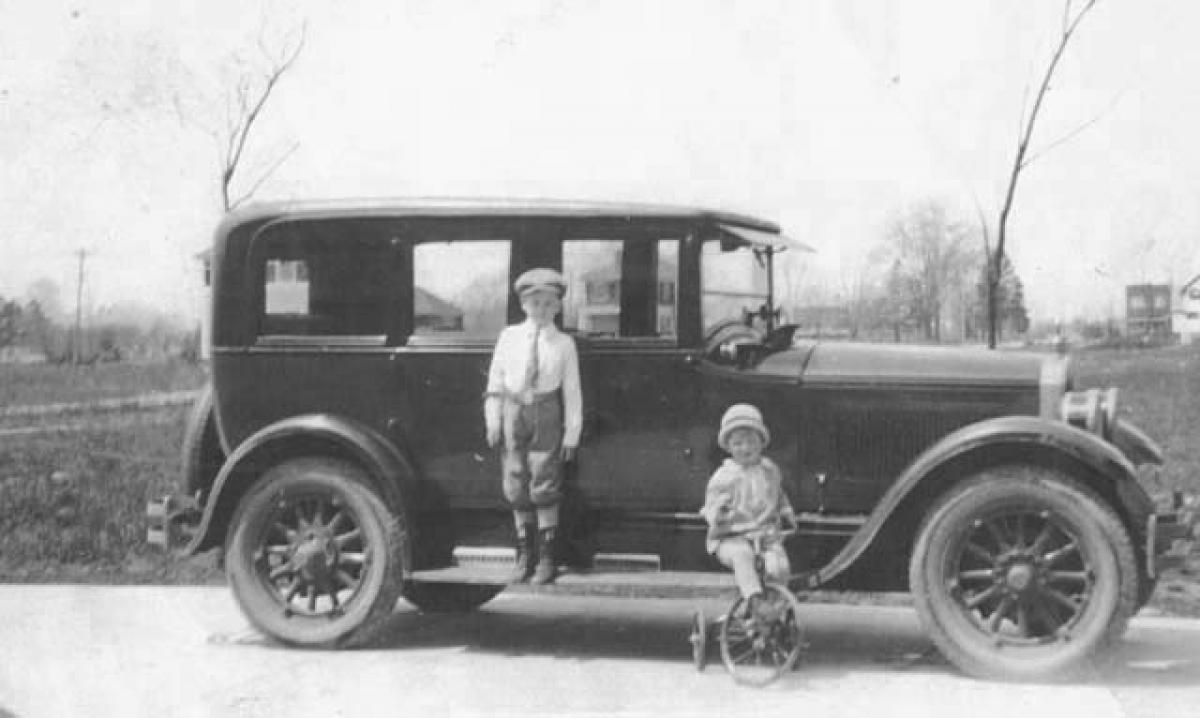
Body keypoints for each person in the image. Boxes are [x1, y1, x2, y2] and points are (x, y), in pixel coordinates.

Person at [484, 267, 582, 585]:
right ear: (523, 305)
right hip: (514, 410)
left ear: (558, 307)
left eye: (549, 303)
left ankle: (546, 557)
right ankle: (523, 554)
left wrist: (572, 432)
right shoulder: (509, 337)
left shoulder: (564, 344)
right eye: (535, 302)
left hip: (547, 410)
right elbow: (495, 381)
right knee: (515, 479)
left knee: (545, 477)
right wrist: (493, 418)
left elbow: (571, 390)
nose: (541, 310)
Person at [700, 403, 796, 612]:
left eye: (751, 442)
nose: (746, 448)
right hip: (731, 536)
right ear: (729, 448)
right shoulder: (725, 477)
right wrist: (720, 512)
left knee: (778, 565)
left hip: (764, 535)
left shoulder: (769, 471)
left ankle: (776, 609)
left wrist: (786, 514)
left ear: (762, 442)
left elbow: (778, 496)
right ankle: (754, 600)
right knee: (742, 556)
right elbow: (712, 504)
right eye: (738, 444)